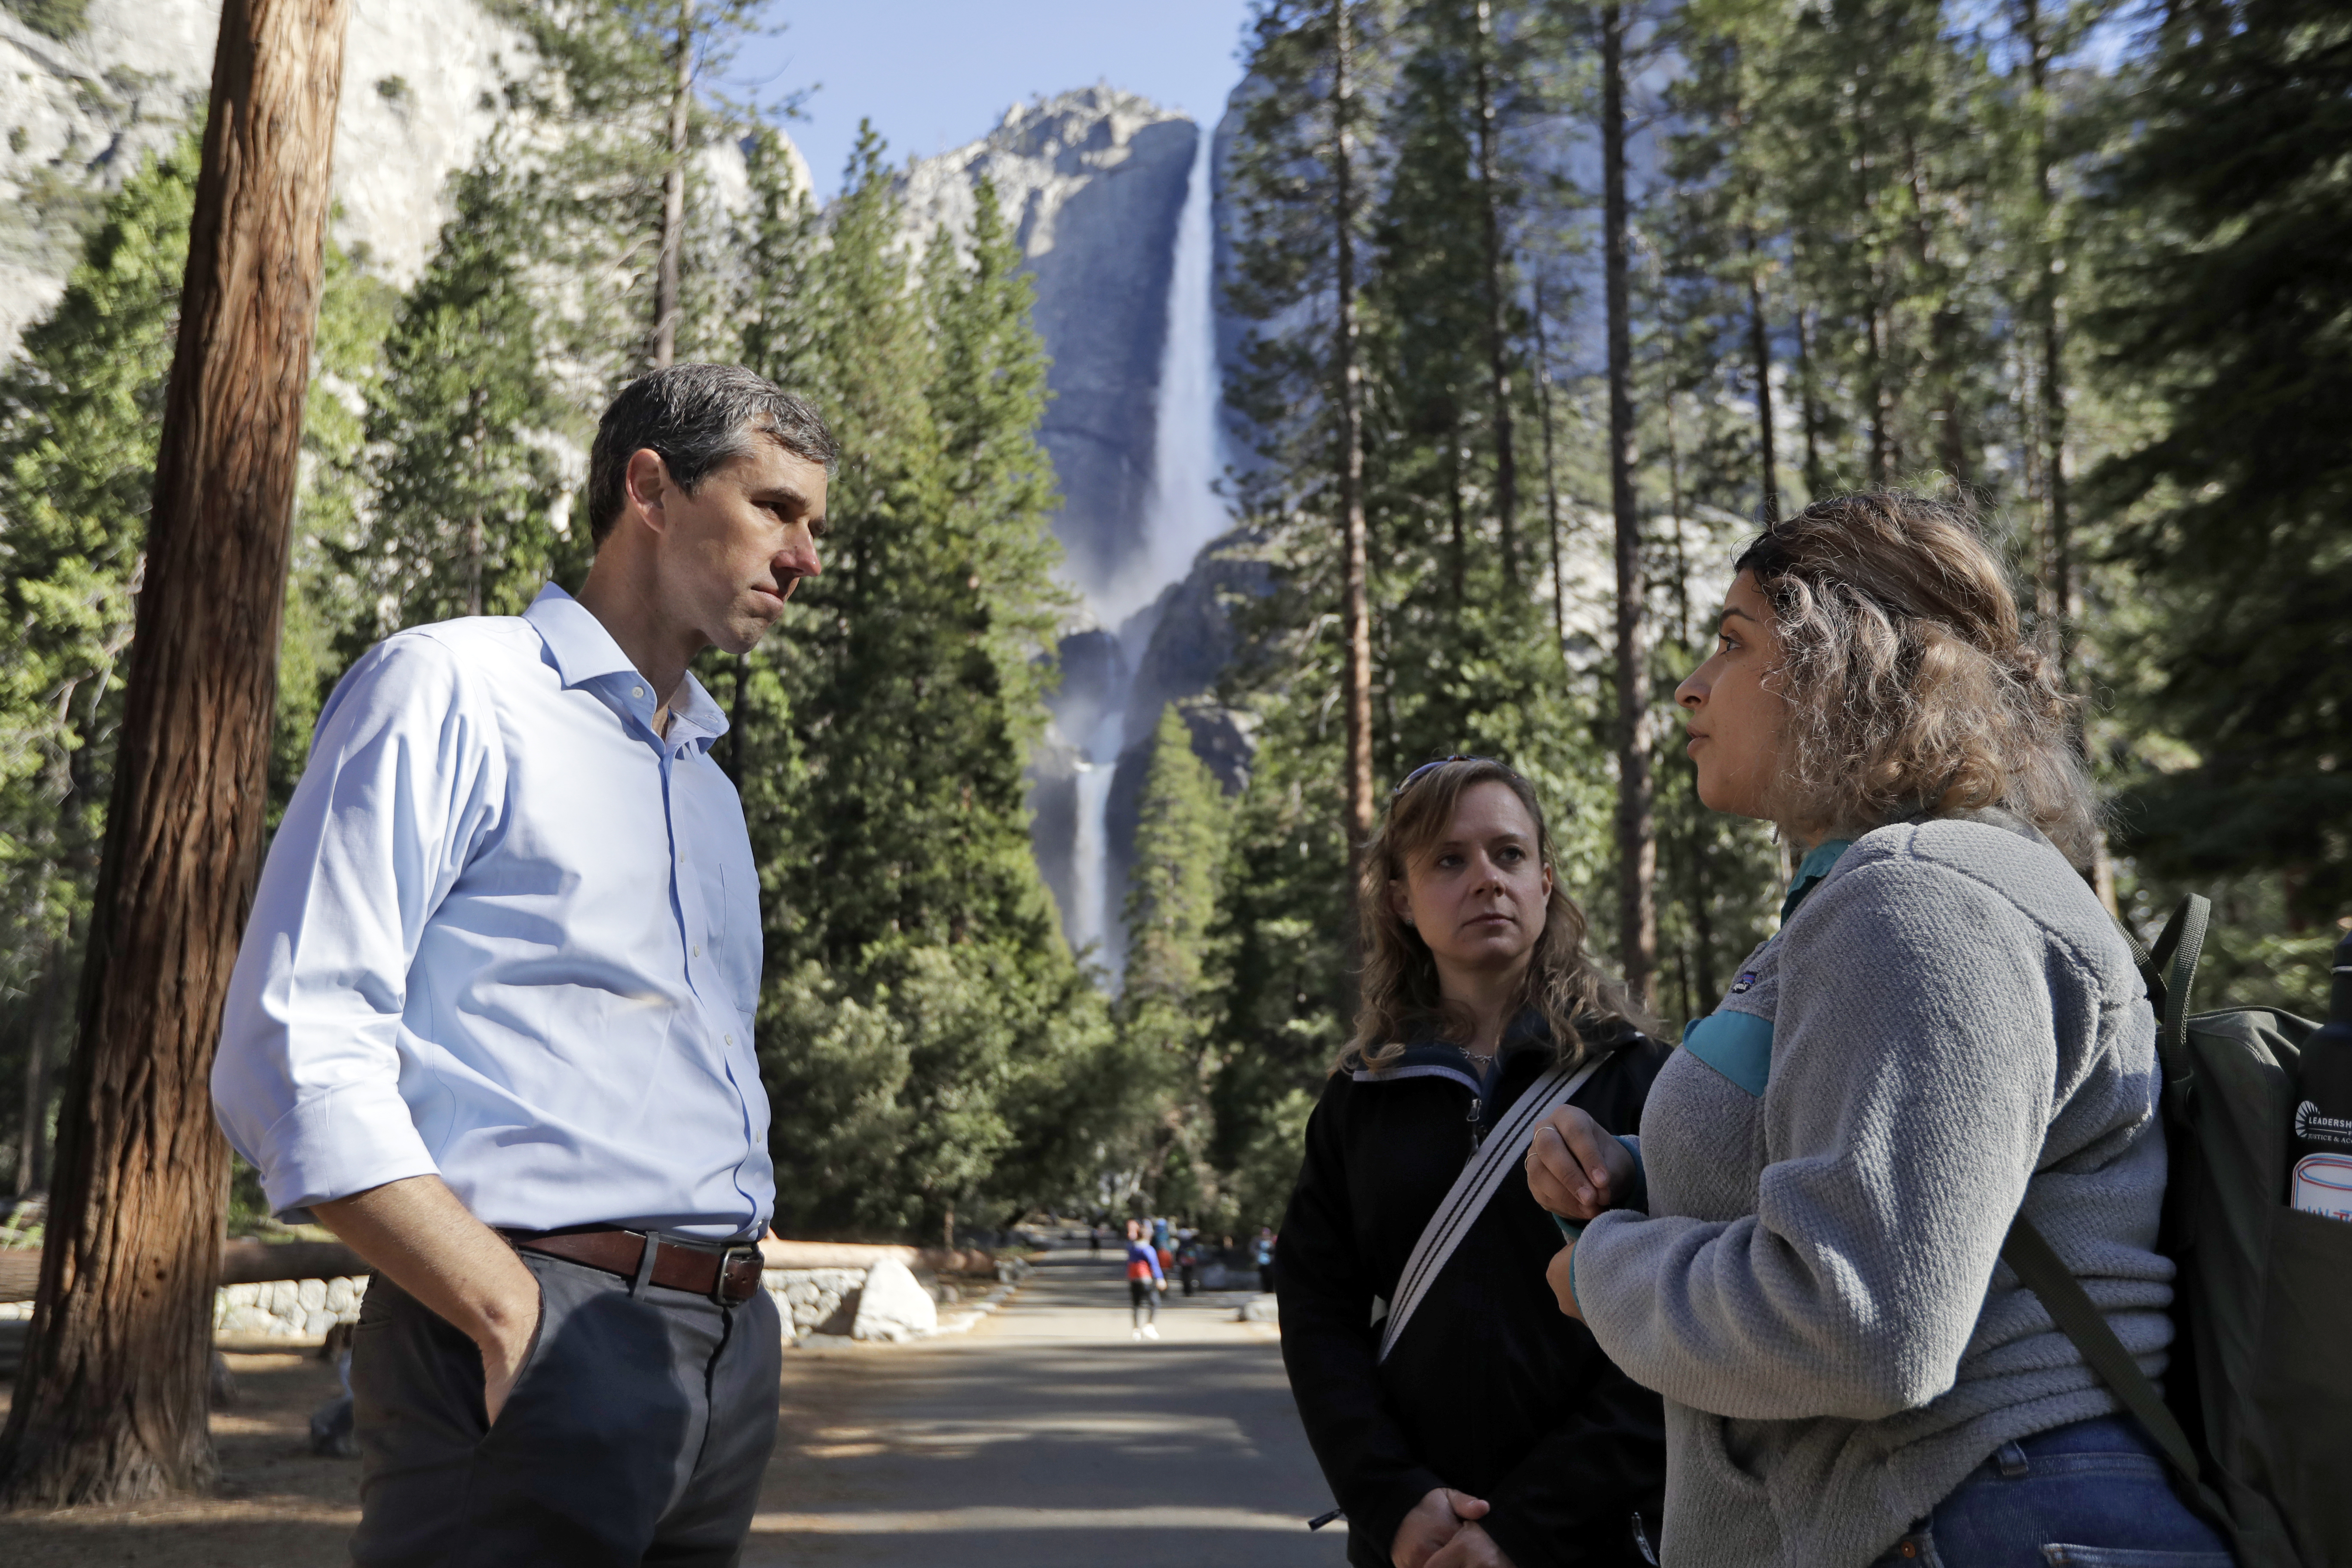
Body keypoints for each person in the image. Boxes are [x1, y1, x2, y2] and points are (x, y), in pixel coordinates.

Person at [1529, 493, 2236, 1568]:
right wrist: (1635, 1178)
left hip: (1981, 1515)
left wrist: (1605, 1273)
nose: (1689, 685)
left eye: (1732, 642)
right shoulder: (1883, 892)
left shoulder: (1918, 899)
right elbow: (1869, 1187)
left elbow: (1864, 1321)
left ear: (1839, 665)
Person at [212, 364, 834, 1568]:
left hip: (720, 1356)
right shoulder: (452, 687)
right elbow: (291, 1047)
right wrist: (509, 1315)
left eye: (817, 525)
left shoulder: (705, 781)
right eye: (776, 509)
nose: (807, 557)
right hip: (525, 1323)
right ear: (649, 488)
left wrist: (736, 1334)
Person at [1280, 757, 1672, 1568]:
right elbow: (1318, 1313)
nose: (1486, 879)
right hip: (1415, 1544)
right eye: (1449, 860)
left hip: (1601, 1537)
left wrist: (1525, 1526)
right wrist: (1392, 1497)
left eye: (1509, 854)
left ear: (1545, 881)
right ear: (1400, 898)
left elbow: (1680, 1323)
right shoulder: (1361, 1098)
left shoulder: (1645, 1078)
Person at [1124, 1218, 1166, 1341]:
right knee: (1155, 1302)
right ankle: (1149, 1326)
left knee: (1136, 1304)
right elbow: (1154, 1265)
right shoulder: (1148, 1249)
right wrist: (1160, 1279)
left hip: (1133, 1279)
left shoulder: (1132, 1248)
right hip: (1146, 1279)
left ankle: (1136, 1330)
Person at [1254, 1226, 1276, 1294]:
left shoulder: (1272, 1241)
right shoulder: (1257, 1240)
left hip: (1271, 1261)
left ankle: (1271, 1289)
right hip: (1262, 1261)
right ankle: (1265, 1289)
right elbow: (1253, 1249)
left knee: (1271, 1276)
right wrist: (1258, 1255)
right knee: (1264, 1275)